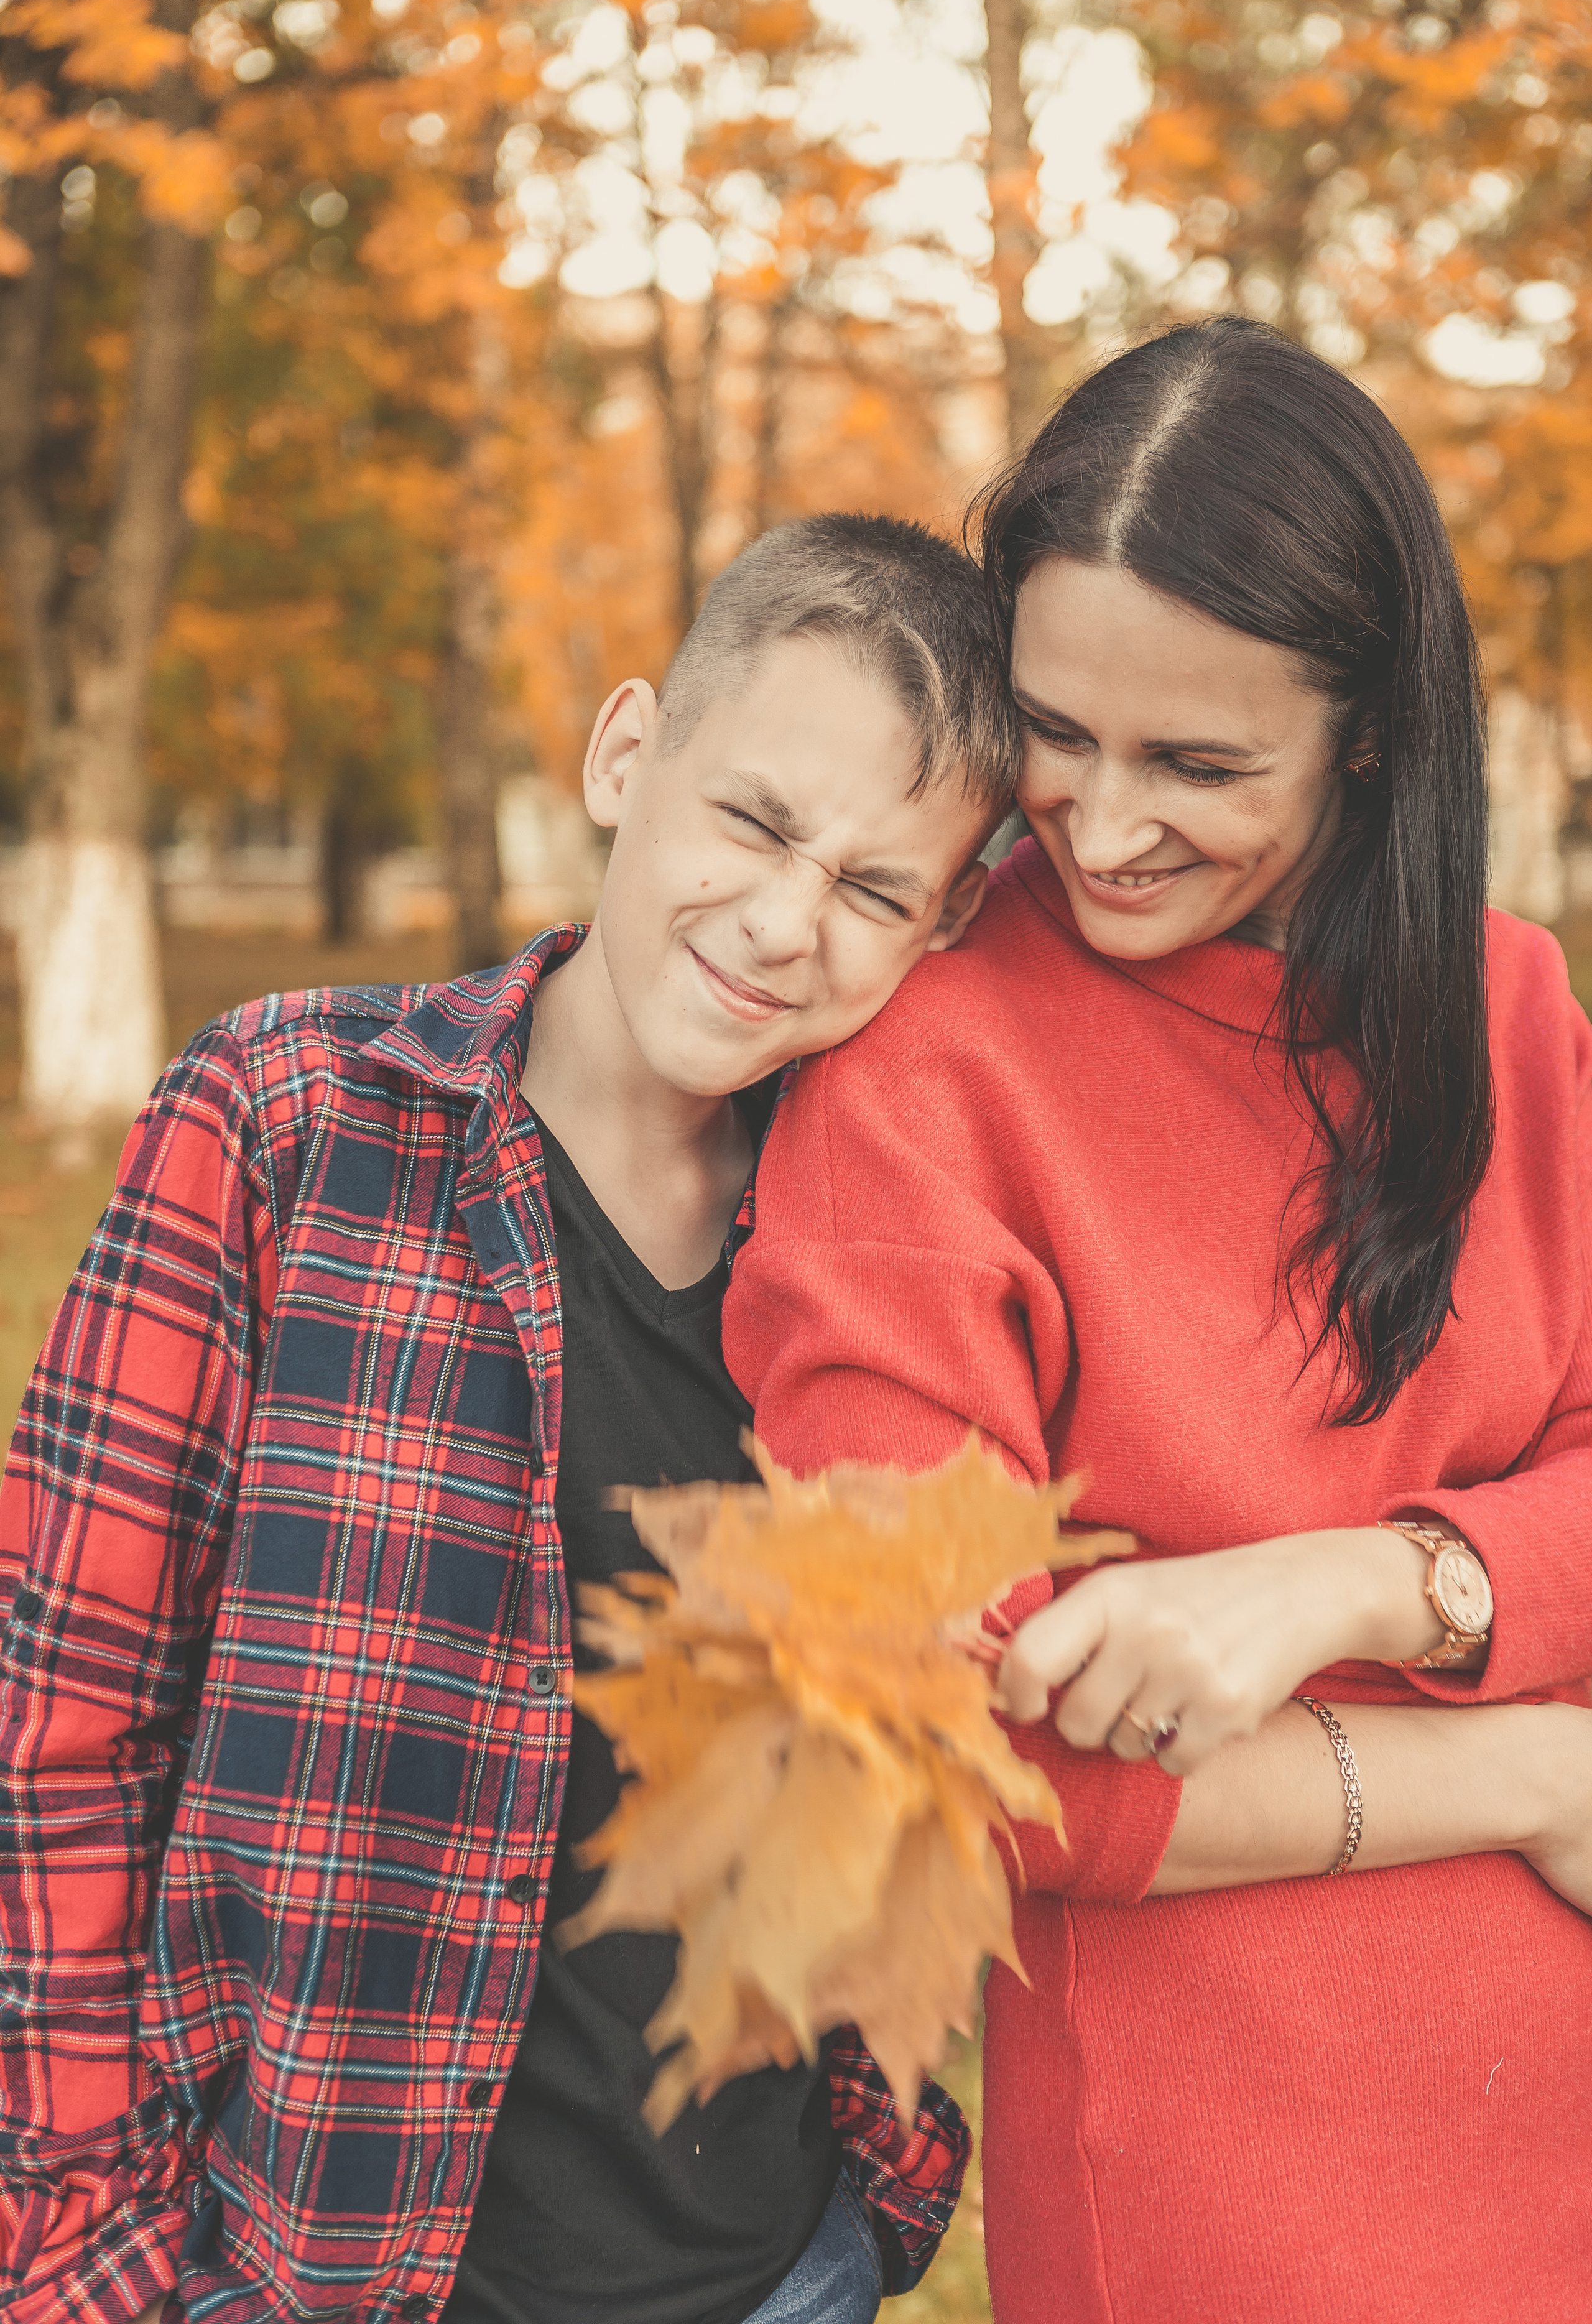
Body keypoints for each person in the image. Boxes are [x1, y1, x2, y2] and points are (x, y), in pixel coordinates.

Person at [0, 514, 1020, 2324]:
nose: (785, 922)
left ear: (940, 930)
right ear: (627, 756)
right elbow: (54, 1729)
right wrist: (85, 2250)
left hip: (778, 2272)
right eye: (755, 821)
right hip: (316, 2265)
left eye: (876, 892)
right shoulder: (285, 1123)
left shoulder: (902, 1272)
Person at [723, 321, 1592, 2324]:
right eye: (1055, 732)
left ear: (1367, 734)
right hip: (1233, 2196)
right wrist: (1538, 1771)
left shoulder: (1509, 1010)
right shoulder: (927, 1069)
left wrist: (1360, 1585)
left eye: (1198, 765)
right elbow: (934, 1742)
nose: (1098, 827)